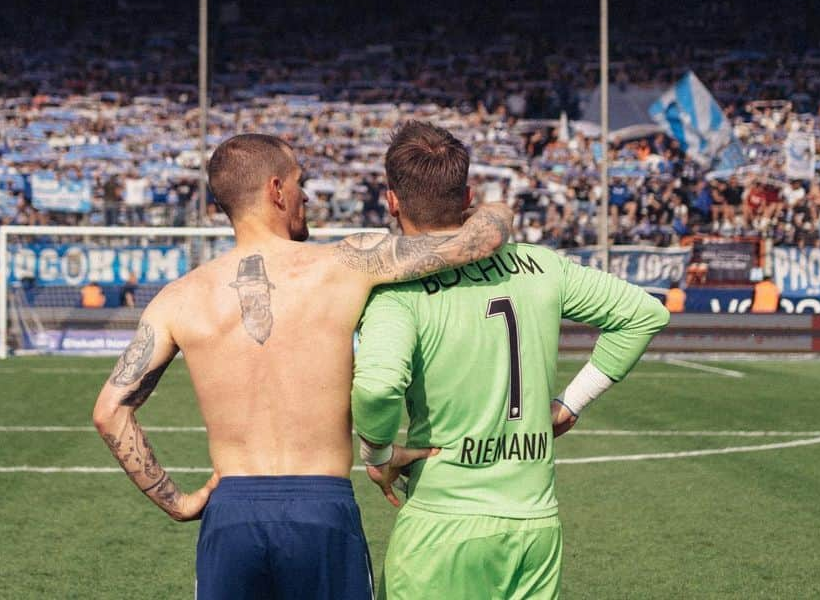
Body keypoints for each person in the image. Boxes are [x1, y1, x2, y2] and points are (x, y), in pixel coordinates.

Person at [92, 132, 515, 600]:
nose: (306, 195)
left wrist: (177, 502)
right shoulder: (343, 264)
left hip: (230, 513)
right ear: (276, 190)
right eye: (299, 182)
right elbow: (483, 239)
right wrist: (495, 210)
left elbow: (110, 410)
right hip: (321, 509)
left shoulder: (180, 296)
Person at [351, 121, 670, 600]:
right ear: (468, 196)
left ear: (392, 201)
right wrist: (571, 402)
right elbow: (644, 313)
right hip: (534, 527)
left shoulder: (398, 293)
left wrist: (378, 456)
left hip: (444, 525)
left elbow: (376, 387)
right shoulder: (541, 264)